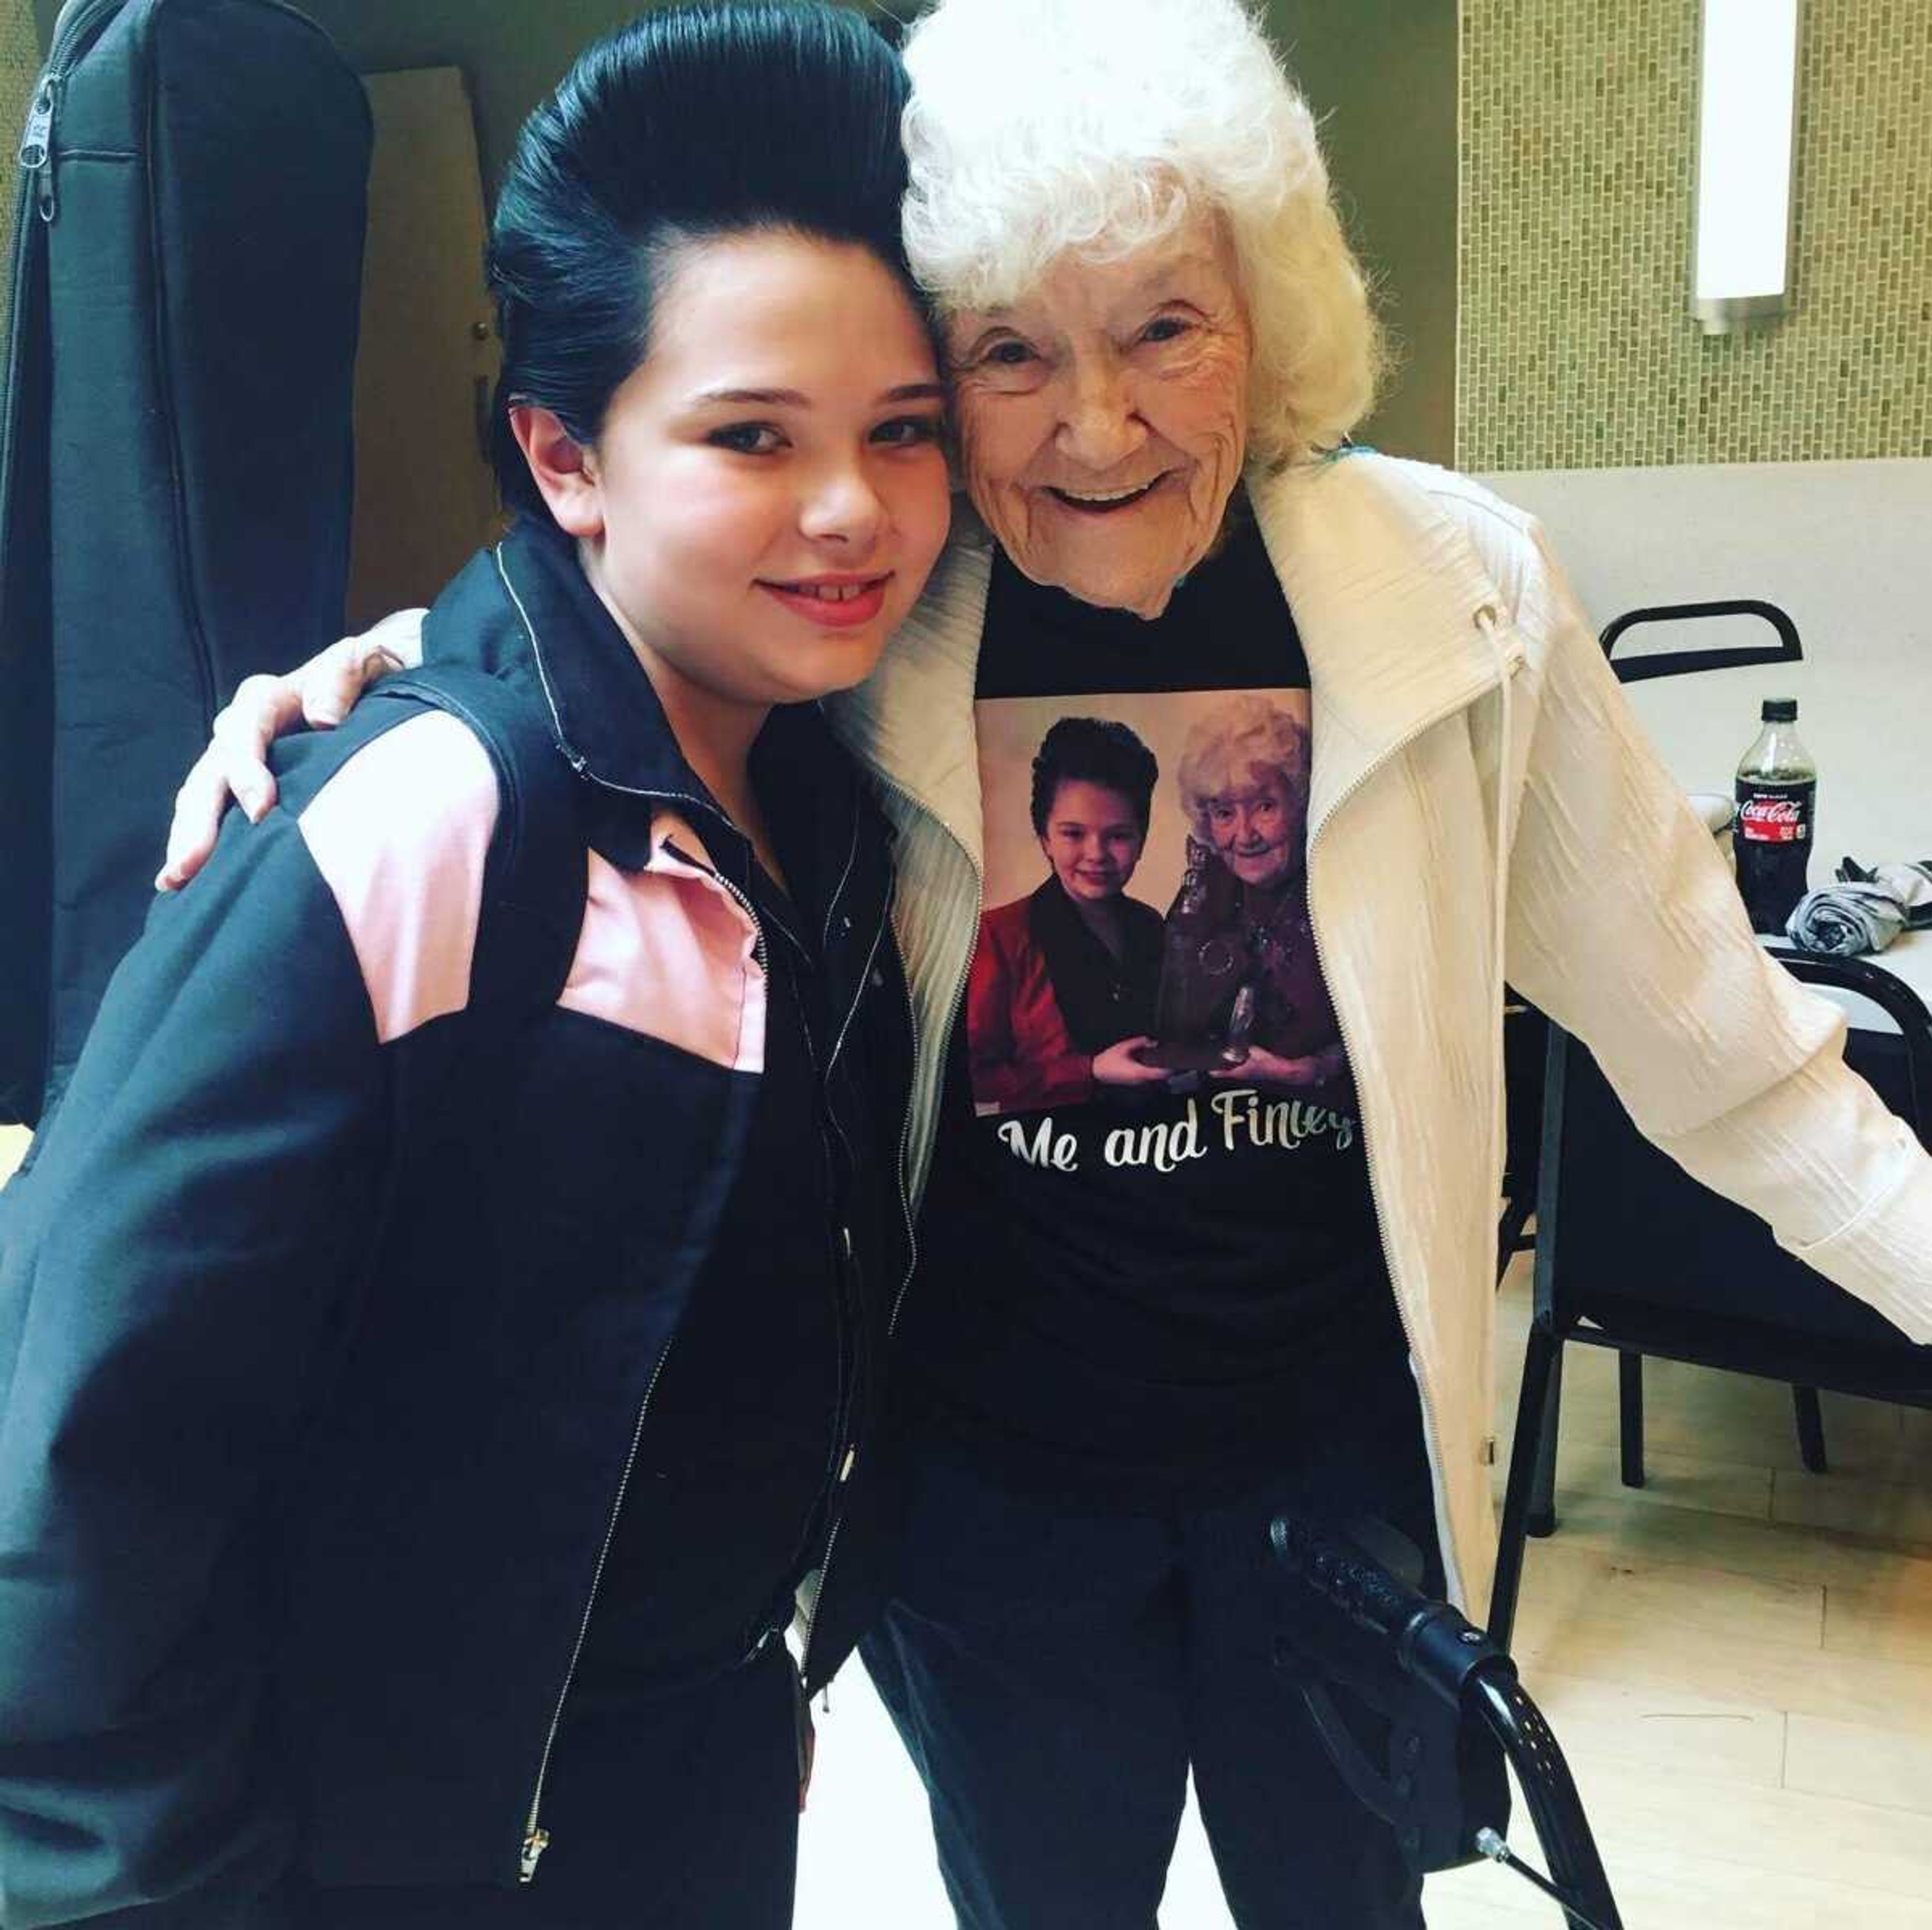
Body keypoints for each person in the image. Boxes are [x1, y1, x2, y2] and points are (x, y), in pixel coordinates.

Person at [158, 0, 1932, 1924]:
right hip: (986, 1496)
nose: (1097, 426)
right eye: (1011, 351)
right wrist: (405, 665)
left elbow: (1734, 1060)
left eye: (1167, 324)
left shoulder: (1463, 594)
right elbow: (636, 602)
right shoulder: (891, 599)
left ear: (1271, 313)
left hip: (1331, 1478)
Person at [0, 6, 952, 1926]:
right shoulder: (421, 817)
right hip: (390, 1831)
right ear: (563, 455)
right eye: (752, 436)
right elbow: (71, 1471)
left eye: (904, 433)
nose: (854, 509)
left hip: (681, 1765)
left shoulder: (845, 801)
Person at [1151, 692, 1350, 1092]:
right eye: (1225, 813)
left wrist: (1309, 1072)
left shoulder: (1341, 884)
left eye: (1264, 806)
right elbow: (1170, 1031)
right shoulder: (1201, 892)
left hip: (1318, 1122)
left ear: (1299, 802)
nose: (1245, 836)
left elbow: (1389, 1033)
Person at [967, 715, 1167, 1113]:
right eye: (1073, 833)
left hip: (1157, 1145)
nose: (1096, 854)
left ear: (1142, 840)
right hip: (1051, 1157)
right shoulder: (997, 936)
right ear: (1044, 837)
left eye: (1118, 835)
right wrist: (1089, 1070)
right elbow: (973, 1076)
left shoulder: (1152, 924)